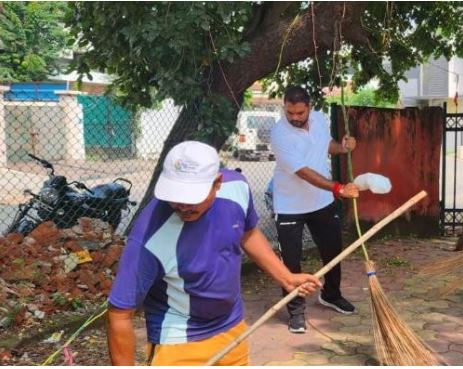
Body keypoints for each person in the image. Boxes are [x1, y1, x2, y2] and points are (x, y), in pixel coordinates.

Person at [107, 141, 321, 365]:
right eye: (175, 194)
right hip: (179, 343)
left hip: (233, 328)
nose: (182, 205)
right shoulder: (148, 238)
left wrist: (286, 278)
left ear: (217, 183)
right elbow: (119, 313)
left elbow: (247, 232)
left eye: (191, 196)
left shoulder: (237, 188)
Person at [270, 86, 360, 334]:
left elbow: (325, 145)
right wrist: (338, 188)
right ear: (284, 107)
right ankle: (296, 311)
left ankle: (331, 295)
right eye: (290, 112)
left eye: (300, 112)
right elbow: (303, 172)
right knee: (290, 262)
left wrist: (342, 147)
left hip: (321, 203)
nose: (295, 117)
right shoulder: (279, 134)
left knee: (333, 252)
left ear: (309, 107)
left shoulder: (319, 118)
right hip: (290, 206)